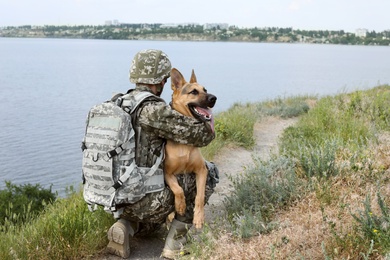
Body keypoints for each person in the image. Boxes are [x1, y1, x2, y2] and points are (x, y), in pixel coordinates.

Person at [106, 49, 219, 259]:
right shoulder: (154, 110)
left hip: (117, 199)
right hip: (147, 200)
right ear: (161, 80)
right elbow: (202, 137)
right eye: (165, 79)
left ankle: (125, 226)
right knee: (209, 172)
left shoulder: (120, 102)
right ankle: (175, 245)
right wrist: (207, 120)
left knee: (150, 202)